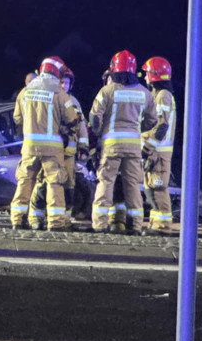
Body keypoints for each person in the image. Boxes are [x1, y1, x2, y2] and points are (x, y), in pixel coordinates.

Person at [89, 50, 158, 233]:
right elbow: (153, 121)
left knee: (105, 182)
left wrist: (99, 131)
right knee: (133, 185)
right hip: (134, 146)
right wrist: (137, 129)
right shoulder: (145, 93)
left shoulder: (107, 91)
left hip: (111, 145)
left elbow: (94, 117)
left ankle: (100, 225)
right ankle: (135, 226)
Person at [11, 56, 81, 231]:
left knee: (25, 181)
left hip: (29, 145)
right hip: (52, 148)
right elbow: (72, 121)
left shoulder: (25, 92)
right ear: (57, 72)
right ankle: (56, 223)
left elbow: (17, 119)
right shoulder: (60, 93)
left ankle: (17, 220)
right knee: (54, 182)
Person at [28, 66, 88, 228]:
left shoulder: (73, 102)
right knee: (43, 183)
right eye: (61, 82)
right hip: (52, 151)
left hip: (68, 153)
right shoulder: (53, 98)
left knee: (67, 186)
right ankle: (36, 217)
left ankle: (64, 219)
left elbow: (81, 126)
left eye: (66, 83)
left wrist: (83, 147)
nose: (63, 86)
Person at [141, 56, 176, 234]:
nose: (145, 77)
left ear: (155, 75)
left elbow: (162, 126)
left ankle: (162, 226)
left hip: (159, 151)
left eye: (147, 74)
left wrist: (147, 148)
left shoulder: (163, 96)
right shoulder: (158, 96)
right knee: (150, 189)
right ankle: (155, 224)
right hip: (155, 150)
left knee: (159, 188)